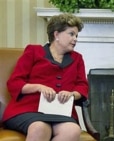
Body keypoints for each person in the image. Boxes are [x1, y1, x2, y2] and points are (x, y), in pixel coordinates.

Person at [2, 13, 88, 141]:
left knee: (73, 131)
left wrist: (72, 94)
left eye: (76, 35)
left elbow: (82, 85)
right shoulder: (33, 51)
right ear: (56, 34)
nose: (75, 39)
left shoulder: (77, 58)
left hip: (61, 111)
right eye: (71, 34)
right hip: (28, 109)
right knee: (40, 128)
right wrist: (38, 87)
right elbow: (14, 82)